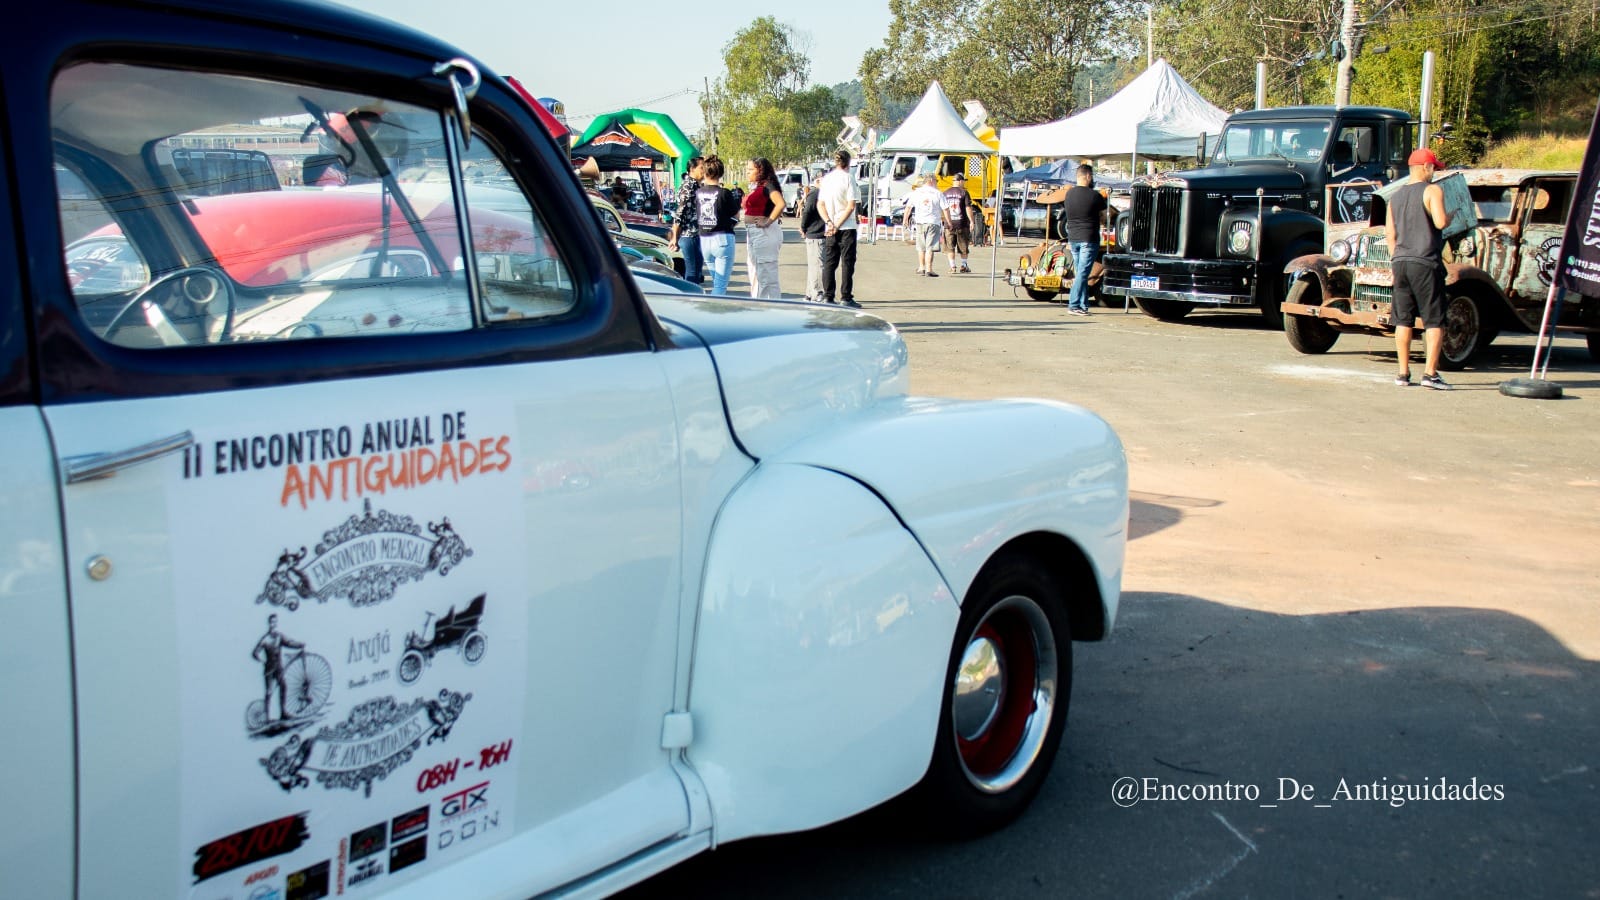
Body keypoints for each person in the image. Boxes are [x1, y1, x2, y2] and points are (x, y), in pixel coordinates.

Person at [1386, 147, 1455, 390]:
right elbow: (1439, 222)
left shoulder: (1394, 196)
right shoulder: (1432, 190)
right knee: (1434, 320)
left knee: (1402, 320)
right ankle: (1430, 374)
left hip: (1401, 262)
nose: (1435, 171)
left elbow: (1390, 234)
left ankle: (1403, 374)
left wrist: (1396, 260)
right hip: (1426, 262)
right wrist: (1450, 217)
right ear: (1425, 167)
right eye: (1434, 167)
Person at [1059, 163, 1109, 316]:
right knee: (1082, 273)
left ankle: (1083, 304)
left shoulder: (1069, 195)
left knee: (1081, 271)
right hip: (1089, 237)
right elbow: (1104, 216)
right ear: (1088, 176)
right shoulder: (1095, 196)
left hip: (1073, 238)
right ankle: (1074, 305)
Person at [817, 149, 861, 307]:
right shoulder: (848, 178)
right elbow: (851, 206)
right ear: (848, 162)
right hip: (846, 226)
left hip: (830, 225)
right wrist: (837, 224)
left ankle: (828, 295)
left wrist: (829, 222)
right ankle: (846, 297)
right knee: (847, 262)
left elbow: (820, 204)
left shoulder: (826, 179)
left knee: (829, 262)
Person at [694, 156, 742, 295]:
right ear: (720, 173)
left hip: (704, 238)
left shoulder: (698, 192)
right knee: (720, 286)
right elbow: (736, 215)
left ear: (705, 172)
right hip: (722, 238)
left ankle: (714, 310)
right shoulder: (724, 193)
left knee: (716, 282)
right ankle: (714, 312)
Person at [742, 158, 786, 299]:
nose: (747, 172)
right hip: (755, 233)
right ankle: (758, 303)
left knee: (767, 274)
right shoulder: (759, 187)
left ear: (760, 170)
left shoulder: (768, 186)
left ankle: (769, 306)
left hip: (764, 233)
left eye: (751, 170)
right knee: (756, 272)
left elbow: (780, 203)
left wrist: (768, 221)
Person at [253, 614, 305, 722]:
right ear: (269, 623)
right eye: (272, 622)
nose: (274, 624)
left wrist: (299, 644)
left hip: (278, 668)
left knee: (283, 686)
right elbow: (255, 653)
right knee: (269, 691)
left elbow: (289, 642)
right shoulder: (265, 639)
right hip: (269, 669)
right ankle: (266, 717)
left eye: (275, 622)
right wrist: (262, 661)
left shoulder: (279, 636)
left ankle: (283, 713)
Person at [667, 156, 705, 286]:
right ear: (692, 169)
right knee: (692, 271)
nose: (704, 170)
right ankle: (691, 297)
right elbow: (680, 214)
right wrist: (674, 238)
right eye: (701, 167)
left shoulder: (696, 185)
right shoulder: (688, 187)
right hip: (688, 235)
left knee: (697, 267)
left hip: (695, 234)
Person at [902, 174, 945, 277]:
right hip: (933, 222)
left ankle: (921, 267)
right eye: (936, 180)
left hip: (920, 222)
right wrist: (948, 220)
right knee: (930, 247)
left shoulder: (916, 192)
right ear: (931, 180)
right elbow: (946, 209)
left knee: (921, 246)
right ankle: (929, 269)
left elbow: (908, 207)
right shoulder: (938, 193)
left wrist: (905, 220)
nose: (936, 183)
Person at [941, 172, 975, 273]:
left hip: (949, 224)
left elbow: (943, 209)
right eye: (963, 181)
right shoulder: (964, 193)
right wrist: (972, 221)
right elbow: (968, 208)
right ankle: (964, 265)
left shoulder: (945, 193)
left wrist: (944, 221)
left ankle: (952, 267)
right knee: (963, 246)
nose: (964, 183)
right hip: (962, 223)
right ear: (960, 181)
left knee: (950, 246)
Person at [799, 182, 827, 301]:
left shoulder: (823, 193)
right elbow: (807, 211)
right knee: (817, 264)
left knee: (814, 264)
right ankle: (817, 292)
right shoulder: (815, 193)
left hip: (819, 233)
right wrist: (803, 227)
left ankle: (809, 293)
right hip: (815, 233)